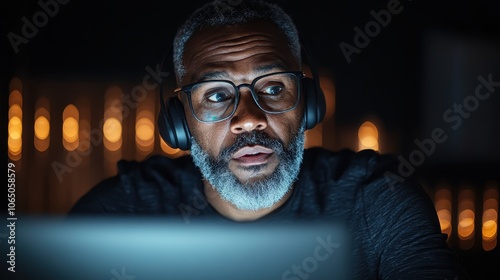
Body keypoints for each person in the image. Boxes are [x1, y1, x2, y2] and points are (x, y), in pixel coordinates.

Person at [69, 0, 467, 278]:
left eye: (274, 88)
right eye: (217, 94)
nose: (248, 119)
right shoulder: (116, 214)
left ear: (306, 104)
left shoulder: (379, 200)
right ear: (181, 120)